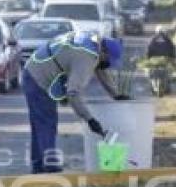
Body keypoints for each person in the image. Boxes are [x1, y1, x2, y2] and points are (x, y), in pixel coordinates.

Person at [22, 31, 125, 173]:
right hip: (38, 78)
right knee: (46, 122)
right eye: (108, 61)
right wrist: (90, 120)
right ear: (104, 53)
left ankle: (39, 165)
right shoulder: (86, 56)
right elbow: (73, 93)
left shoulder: (94, 43)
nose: (107, 65)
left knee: (40, 123)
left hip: (33, 71)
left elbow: (100, 69)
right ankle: (49, 164)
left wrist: (116, 94)